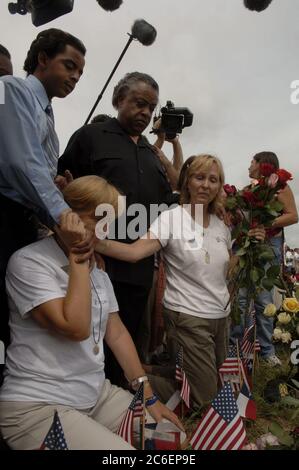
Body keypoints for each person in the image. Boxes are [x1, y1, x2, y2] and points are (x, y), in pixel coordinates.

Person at [0, 175, 183, 450]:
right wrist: (78, 254)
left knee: (172, 440)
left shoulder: (97, 271)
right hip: (39, 404)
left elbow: (117, 332)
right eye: (99, 218)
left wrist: (146, 393)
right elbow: (76, 327)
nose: (106, 229)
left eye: (110, 220)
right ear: (68, 214)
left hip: (95, 395)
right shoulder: (29, 261)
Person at [95, 154, 265, 407]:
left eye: (213, 180)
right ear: (187, 182)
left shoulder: (221, 225)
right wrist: (93, 242)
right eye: (199, 177)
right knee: (205, 401)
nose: (205, 185)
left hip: (220, 318)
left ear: (219, 186)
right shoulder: (171, 218)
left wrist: (249, 247)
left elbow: (225, 269)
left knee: (221, 387)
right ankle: (128, 380)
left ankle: (149, 369)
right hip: (187, 317)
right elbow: (135, 252)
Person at [58, 72, 177, 385]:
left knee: (125, 338)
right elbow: (61, 189)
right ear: (117, 100)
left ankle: (120, 397)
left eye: (151, 108)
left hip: (137, 268)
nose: (145, 113)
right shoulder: (89, 136)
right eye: (139, 103)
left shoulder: (153, 156)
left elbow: (166, 204)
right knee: (87, 338)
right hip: (94, 261)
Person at [0, 29, 91, 359]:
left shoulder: (48, 119)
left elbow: (38, 173)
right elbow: (20, 163)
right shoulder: (11, 89)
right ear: (42, 59)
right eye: (69, 66)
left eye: (80, 72)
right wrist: (63, 214)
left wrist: (57, 189)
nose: (75, 77)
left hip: (25, 223)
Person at [237, 151, 298, 366]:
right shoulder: (250, 188)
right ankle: (238, 347)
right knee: (242, 295)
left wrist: (264, 223)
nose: (249, 165)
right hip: (249, 242)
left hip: (269, 243)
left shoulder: (280, 186)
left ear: (263, 164)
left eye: (252, 161)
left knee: (263, 298)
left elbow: (293, 215)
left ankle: (266, 350)